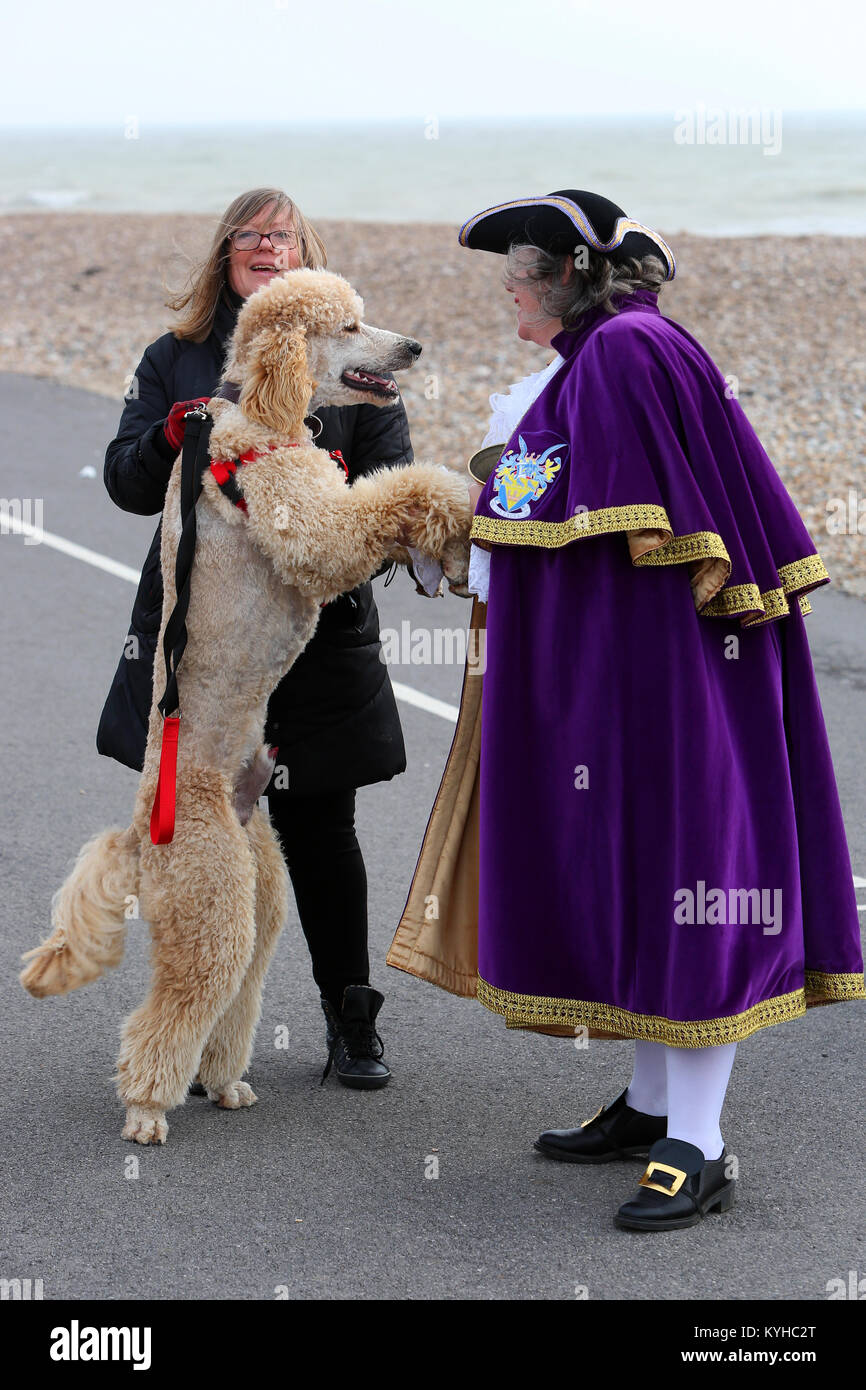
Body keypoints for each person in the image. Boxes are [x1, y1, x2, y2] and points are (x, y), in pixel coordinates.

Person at [390, 189, 865, 1229]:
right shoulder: (612, 352)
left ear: (561, 276)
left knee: (689, 875)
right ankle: (653, 1106)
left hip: (668, 677)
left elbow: (622, 526)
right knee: (650, 878)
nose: (504, 291)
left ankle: (700, 1146)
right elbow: (567, 510)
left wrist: (493, 492)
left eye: (514, 273)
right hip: (634, 673)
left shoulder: (621, 355)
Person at [99, 186, 421, 1090]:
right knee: (204, 829)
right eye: (251, 237)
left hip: (319, 633)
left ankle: (351, 1021)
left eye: (284, 238)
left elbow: (393, 482)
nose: (268, 249)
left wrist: (320, 498)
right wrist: (175, 439)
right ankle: (187, 1032)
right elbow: (125, 482)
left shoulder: (355, 364)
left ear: (307, 253)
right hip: (202, 641)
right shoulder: (174, 359)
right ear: (225, 254)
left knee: (322, 829)